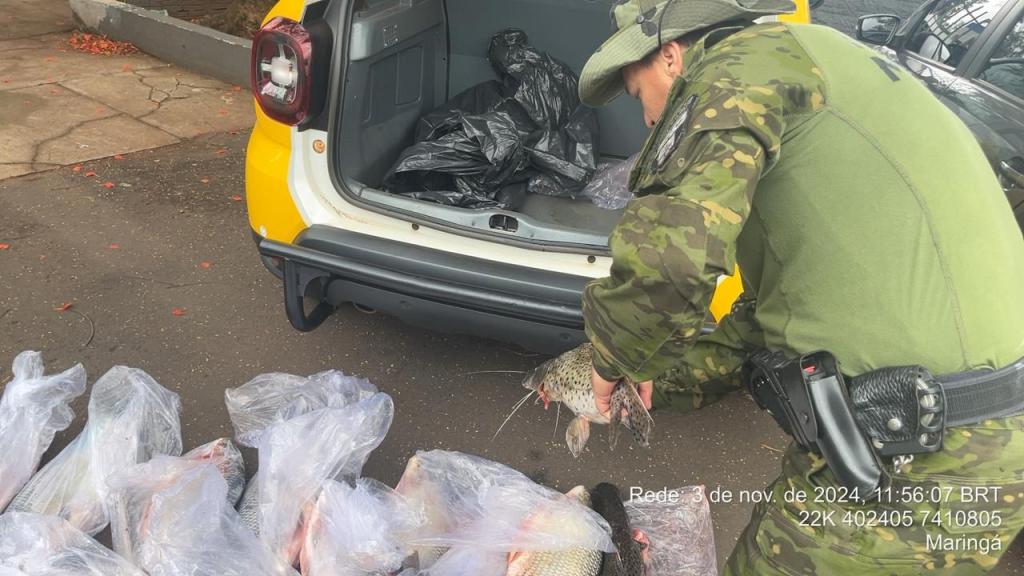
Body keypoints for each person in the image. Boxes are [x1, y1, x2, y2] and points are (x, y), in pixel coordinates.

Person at [576, 0, 1024, 573]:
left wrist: (613, 359)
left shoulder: (740, 69)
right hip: (964, 442)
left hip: (916, 456)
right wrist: (654, 382)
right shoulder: (822, 61)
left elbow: (673, 259)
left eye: (639, 95)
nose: (645, 119)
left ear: (670, 56)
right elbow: (766, 314)